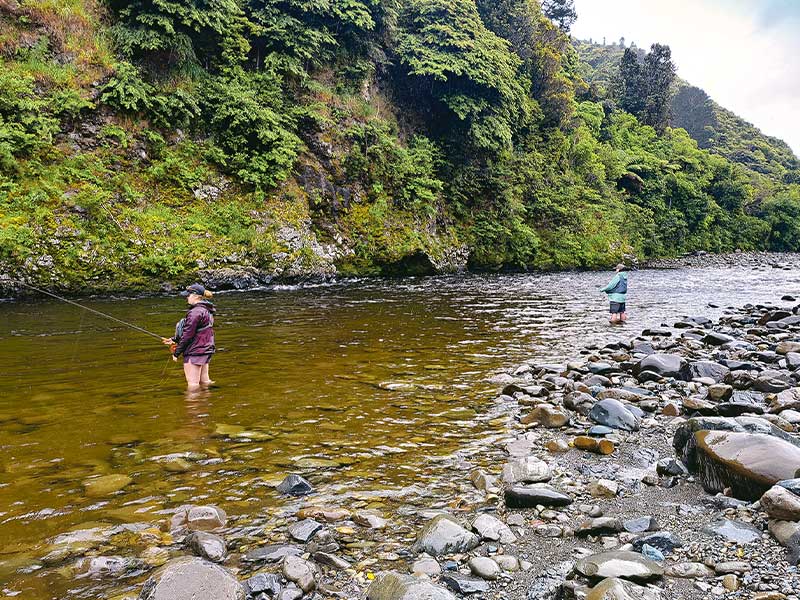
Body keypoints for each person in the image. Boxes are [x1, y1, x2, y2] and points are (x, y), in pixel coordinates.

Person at [163, 283, 216, 390]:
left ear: (196, 296)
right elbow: (198, 331)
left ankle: (193, 406)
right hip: (206, 349)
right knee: (205, 382)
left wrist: (177, 352)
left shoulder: (195, 312)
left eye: (188, 295)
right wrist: (174, 339)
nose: (186, 297)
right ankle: (207, 404)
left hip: (195, 352)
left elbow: (188, 335)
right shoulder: (207, 309)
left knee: (193, 386)